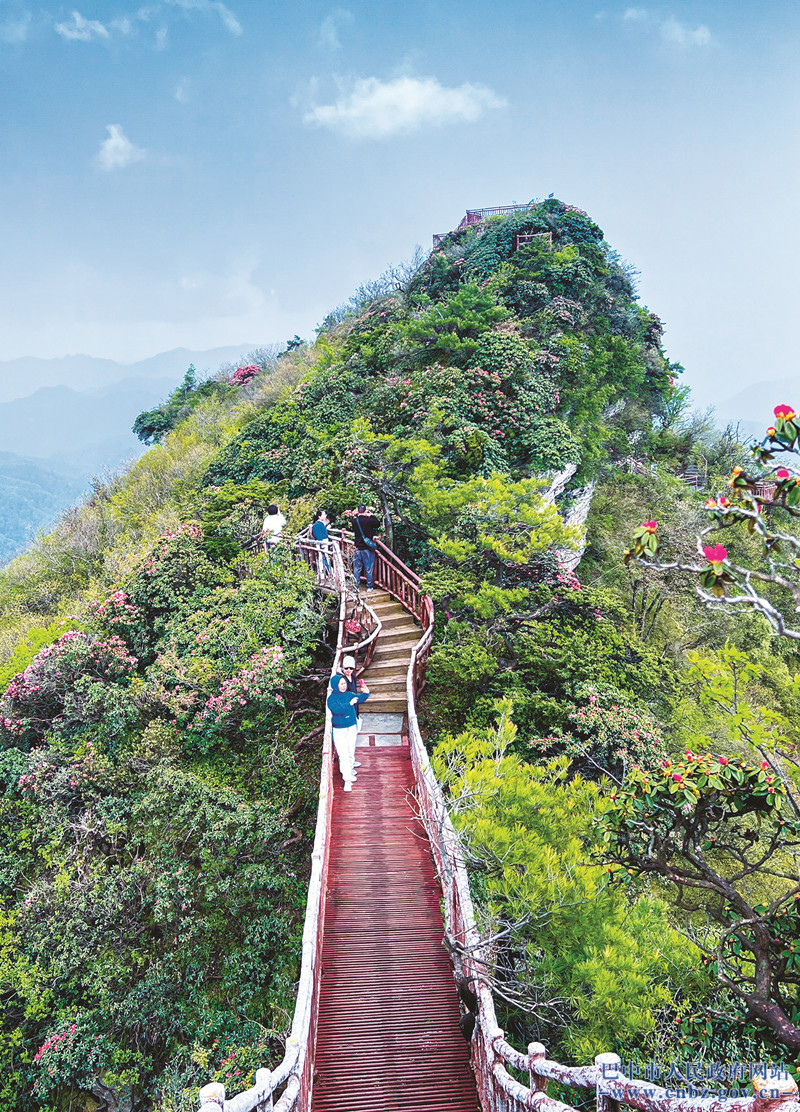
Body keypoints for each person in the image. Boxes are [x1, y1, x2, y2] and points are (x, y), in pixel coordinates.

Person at [327, 673, 370, 791]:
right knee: (343, 754)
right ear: (335, 685)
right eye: (341, 684)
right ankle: (347, 780)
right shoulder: (331, 699)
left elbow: (360, 698)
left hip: (351, 727)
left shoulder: (349, 694)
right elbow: (336, 710)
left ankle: (350, 772)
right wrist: (349, 704)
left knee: (351, 752)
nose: (343, 686)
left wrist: (366, 693)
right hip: (339, 729)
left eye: (345, 683)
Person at [337, 654, 363, 767]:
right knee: (346, 742)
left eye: (351, 668)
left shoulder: (353, 677)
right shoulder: (341, 680)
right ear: (342, 667)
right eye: (346, 668)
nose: (348, 670)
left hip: (354, 712)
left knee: (352, 741)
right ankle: (347, 766)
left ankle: (351, 761)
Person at [352, 505, 381, 592]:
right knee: (368, 568)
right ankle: (369, 586)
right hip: (367, 548)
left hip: (357, 547)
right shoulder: (369, 521)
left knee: (357, 569)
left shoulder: (354, 521)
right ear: (365, 511)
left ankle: (355, 587)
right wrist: (371, 515)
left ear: (358, 511)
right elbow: (377, 523)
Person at [311, 509, 332, 582]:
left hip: (324, 541)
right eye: (323, 514)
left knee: (324, 557)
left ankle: (326, 573)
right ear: (319, 516)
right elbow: (318, 535)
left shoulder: (321, 523)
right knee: (322, 557)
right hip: (322, 542)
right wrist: (321, 544)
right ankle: (323, 574)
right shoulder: (317, 524)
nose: (325, 516)